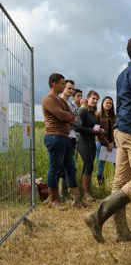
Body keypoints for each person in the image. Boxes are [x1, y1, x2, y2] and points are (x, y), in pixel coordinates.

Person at [84, 36, 131, 243]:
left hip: (121, 130)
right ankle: (96, 216)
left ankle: (122, 232)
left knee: (120, 183)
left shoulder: (123, 74)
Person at [42, 73, 77, 210]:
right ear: (54, 84)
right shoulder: (48, 99)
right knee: (55, 168)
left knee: (71, 168)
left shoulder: (62, 101)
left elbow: (71, 116)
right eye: (62, 83)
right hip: (54, 136)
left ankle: (77, 199)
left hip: (64, 136)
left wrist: (68, 116)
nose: (64, 85)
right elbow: (62, 115)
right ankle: (53, 200)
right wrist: (67, 116)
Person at [75, 90, 107, 205]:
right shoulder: (82, 111)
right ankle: (86, 194)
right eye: (93, 98)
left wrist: (99, 130)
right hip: (82, 142)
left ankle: (86, 193)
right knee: (88, 164)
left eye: (97, 99)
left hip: (92, 142)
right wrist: (91, 130)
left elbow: (94, 126)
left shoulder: (93, 113)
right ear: (88, 98)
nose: (95, 101)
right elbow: (77, 128)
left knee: (89, 166)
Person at [95, 96, 116, 186]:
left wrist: (112, 143)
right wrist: (107, 143)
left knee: (118, 164)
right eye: (106, 102)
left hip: (113, 144)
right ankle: (101, 187)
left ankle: (118, 184)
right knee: (101, 166)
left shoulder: (114, 117)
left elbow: (116, 131)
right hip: (101, 144)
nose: (108, 104)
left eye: (110, 103)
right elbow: (97, 132)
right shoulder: (98, 115)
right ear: (102, 104)